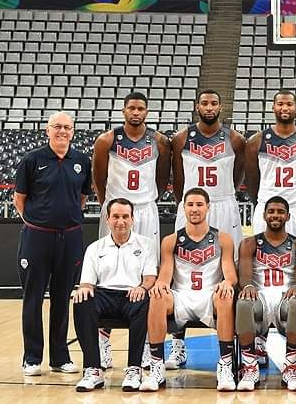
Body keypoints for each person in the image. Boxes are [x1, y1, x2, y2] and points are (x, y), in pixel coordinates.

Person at [167, 89, 245, 369]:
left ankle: (238, 344)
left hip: (224, 203)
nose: (209, 107)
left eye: (214, 103)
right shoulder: (180, 138)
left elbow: (238, 175)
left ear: (221, 107)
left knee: (231, 269)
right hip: (192, 205)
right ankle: (177, 345)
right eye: (204, 103)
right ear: (196, 106)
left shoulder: (235, 139)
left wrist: (223, 195)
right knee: (180, 271)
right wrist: (189, 203)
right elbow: (178, 178)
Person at [92, 91, 171, 370]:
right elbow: (99, 178)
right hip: (116, 209)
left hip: (146, 208)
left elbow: (162, 178)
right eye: (131, 108)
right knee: (107, 271)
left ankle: (148, 343)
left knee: (148, 273)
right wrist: (109, 205)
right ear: (124, 111)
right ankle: (103, 341)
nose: (136, 112)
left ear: (147, 112)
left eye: (140, 109)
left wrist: (148, 198)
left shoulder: (160, 141)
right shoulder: (106, 140)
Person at [14, 111, 91, 376]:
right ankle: (32, 357)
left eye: (67, 127)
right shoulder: (32, 160)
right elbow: (19, 199)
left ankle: (60, 358)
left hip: (70, 237)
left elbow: (82, 198)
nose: (62, 131)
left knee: (62, 298)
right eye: (57, 126)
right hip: (37, 237)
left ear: (73, 132)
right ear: (47, 130)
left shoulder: (81, 161)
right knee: (32, 298)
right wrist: (38, 222)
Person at [139, 188, 238, 392]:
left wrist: (227, 283)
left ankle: (225, 365)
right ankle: (156, 367)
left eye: (199, 204)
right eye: (190, 205)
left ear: (208, 207)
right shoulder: (171, 240)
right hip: (181, 295)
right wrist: (161, 285)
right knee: (157, 297)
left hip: (210, 295)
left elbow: (230, 275)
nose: (195, 209)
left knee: (226, 296)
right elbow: (165, 275)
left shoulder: (223, 239)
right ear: (183, 208)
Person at [72, 198, 157, 392]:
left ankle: (134, 369)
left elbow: (150, 277)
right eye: (116, 216)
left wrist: (142, 288)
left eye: (125, 216)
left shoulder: (146, 244)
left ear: (133, 219)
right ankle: (93, 369)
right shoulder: (95, 248)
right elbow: (87, 283)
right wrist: (83, 288)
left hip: (132, 294)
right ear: (108, 219)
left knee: (144, 301)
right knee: (81, 301)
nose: (121, 221)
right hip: (104, 294)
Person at [235, 196, 296, 391]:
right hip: (259, 295)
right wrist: (248, 287)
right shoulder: (249, 243)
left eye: (280, 212)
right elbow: (244, 278)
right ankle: (250, 367)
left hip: (285, 297)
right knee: (243, 302)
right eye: (271, 211)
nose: (275, 215)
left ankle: (290, 366)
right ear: (264, 215)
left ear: (288, 216)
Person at [245, 89, 296, 248]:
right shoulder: (256, 141)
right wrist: (263, 203)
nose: (285, 108)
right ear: (273, 107)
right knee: (263, 258)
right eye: (280, 104)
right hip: (267, 207)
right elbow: (251, 182)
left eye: (289, 104)